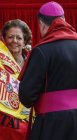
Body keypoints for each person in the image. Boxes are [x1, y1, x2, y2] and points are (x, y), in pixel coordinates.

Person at [19, 1, 77, 140]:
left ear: (42, 24)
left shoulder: (42, 50)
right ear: (63, 20)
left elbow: (26, 96)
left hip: (52, 124)